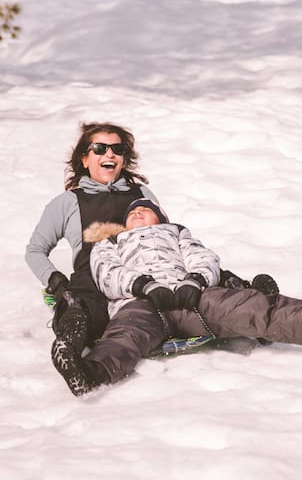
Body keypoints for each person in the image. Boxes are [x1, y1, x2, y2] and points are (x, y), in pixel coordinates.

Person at [50, 197, 302, 396]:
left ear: (161, 218)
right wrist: (142, 286)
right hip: (140, 302)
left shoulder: (176, 233)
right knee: (127, 334)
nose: (139, 212)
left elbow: (203, 257)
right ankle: (91, 374)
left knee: (247, 307)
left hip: (191, 297)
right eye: (133, 212)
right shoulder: (110, 243)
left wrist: (195, 281)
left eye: (146, 210)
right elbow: (106, 273)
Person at [25, 122, 270, 345]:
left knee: (203, 286)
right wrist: (55, 281)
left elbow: (167, 234)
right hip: (95, 273)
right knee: (88, 306)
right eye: (99, 148)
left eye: (117, 149)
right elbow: (35, 251)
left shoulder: (141, 193)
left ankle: (251, 301)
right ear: (85, 159)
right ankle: (74, 329)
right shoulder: (67, 202)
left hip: (150, 263)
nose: (109, 154)